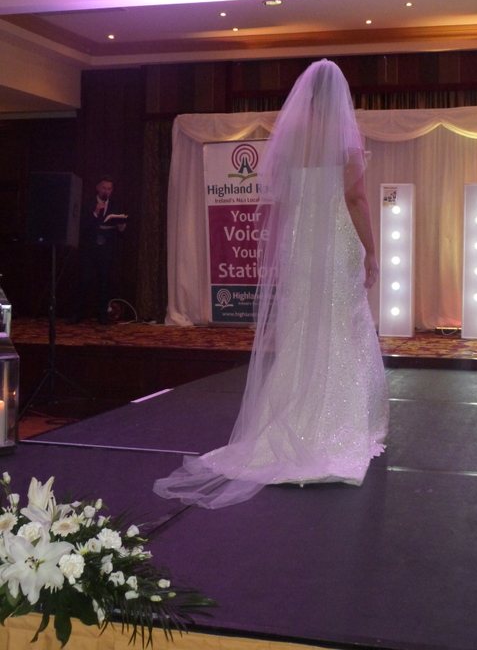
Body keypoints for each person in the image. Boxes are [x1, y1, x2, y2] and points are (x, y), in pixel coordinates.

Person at [154, 59, 389, 508]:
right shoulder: (345, 137)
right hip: (334, 240)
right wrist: (372, 251)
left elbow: (280, 202)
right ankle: (337, 424)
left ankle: (290, 417)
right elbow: (355, 197)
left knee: (301, 328)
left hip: (300, 244)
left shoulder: (290, 136)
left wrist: (281, 250)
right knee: (340, 324)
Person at [71, 175, 127, 325]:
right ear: (98, 188)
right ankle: (77, 314)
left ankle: (102, 316)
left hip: (106, 249)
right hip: (89, 249)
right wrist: (95, 212)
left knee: (104, 283)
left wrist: (121, 227)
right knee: (84, 281)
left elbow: (121, 231)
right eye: (104, 188)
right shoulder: (88, 203)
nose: (106, 191)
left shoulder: (115, 205)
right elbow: (82, 225)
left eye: (109, 189)